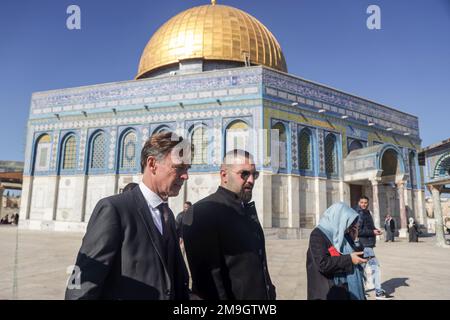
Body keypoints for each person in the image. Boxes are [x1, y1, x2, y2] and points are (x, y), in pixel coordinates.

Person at [65, 131, 191, 300]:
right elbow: (82, 282)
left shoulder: (166, 214)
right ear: (152, 164)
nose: (186, 176)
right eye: (179, 167)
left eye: (187, 168)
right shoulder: (115, 209)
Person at [182, 149, 276, 300]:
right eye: (244, 174)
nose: (251, 180)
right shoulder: (203, 213)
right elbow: (209, 285)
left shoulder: (245, 211)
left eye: (254, 174)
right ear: (224, 175)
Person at [307, 202, 367, 300]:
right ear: (339, 218)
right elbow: (323, 264)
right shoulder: (318, 235)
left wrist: (356, 239)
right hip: (328, 290)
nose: (348, 228)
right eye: (347, 222)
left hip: (345, 288)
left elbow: (359, 255)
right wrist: (349, 259)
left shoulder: (342, 234)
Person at [356, 196, 393, 300]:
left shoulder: (366, 212)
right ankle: (378, 292)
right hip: (365, 245)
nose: (364, 204)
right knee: (375, 268)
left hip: (367, 244)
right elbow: (358, 232)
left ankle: (361, 291)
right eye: (362, 202)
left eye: (365, 203)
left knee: (361, 268)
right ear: (359, 203)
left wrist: (376, 230)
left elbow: (368, 228)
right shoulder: (360, 214)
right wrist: (372, 232)